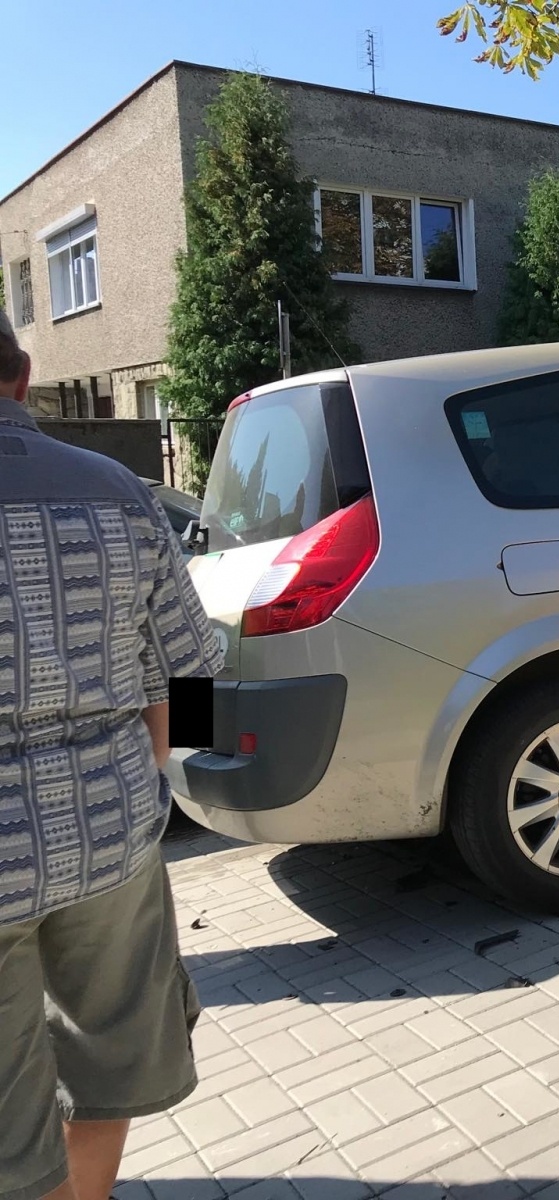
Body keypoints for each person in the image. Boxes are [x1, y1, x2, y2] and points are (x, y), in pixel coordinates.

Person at [0, 308, 224, 1200]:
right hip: (110, 833)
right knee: (105, 1062)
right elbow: (196, 673)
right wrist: (164, 789)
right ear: (21, 378)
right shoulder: (120, 492)